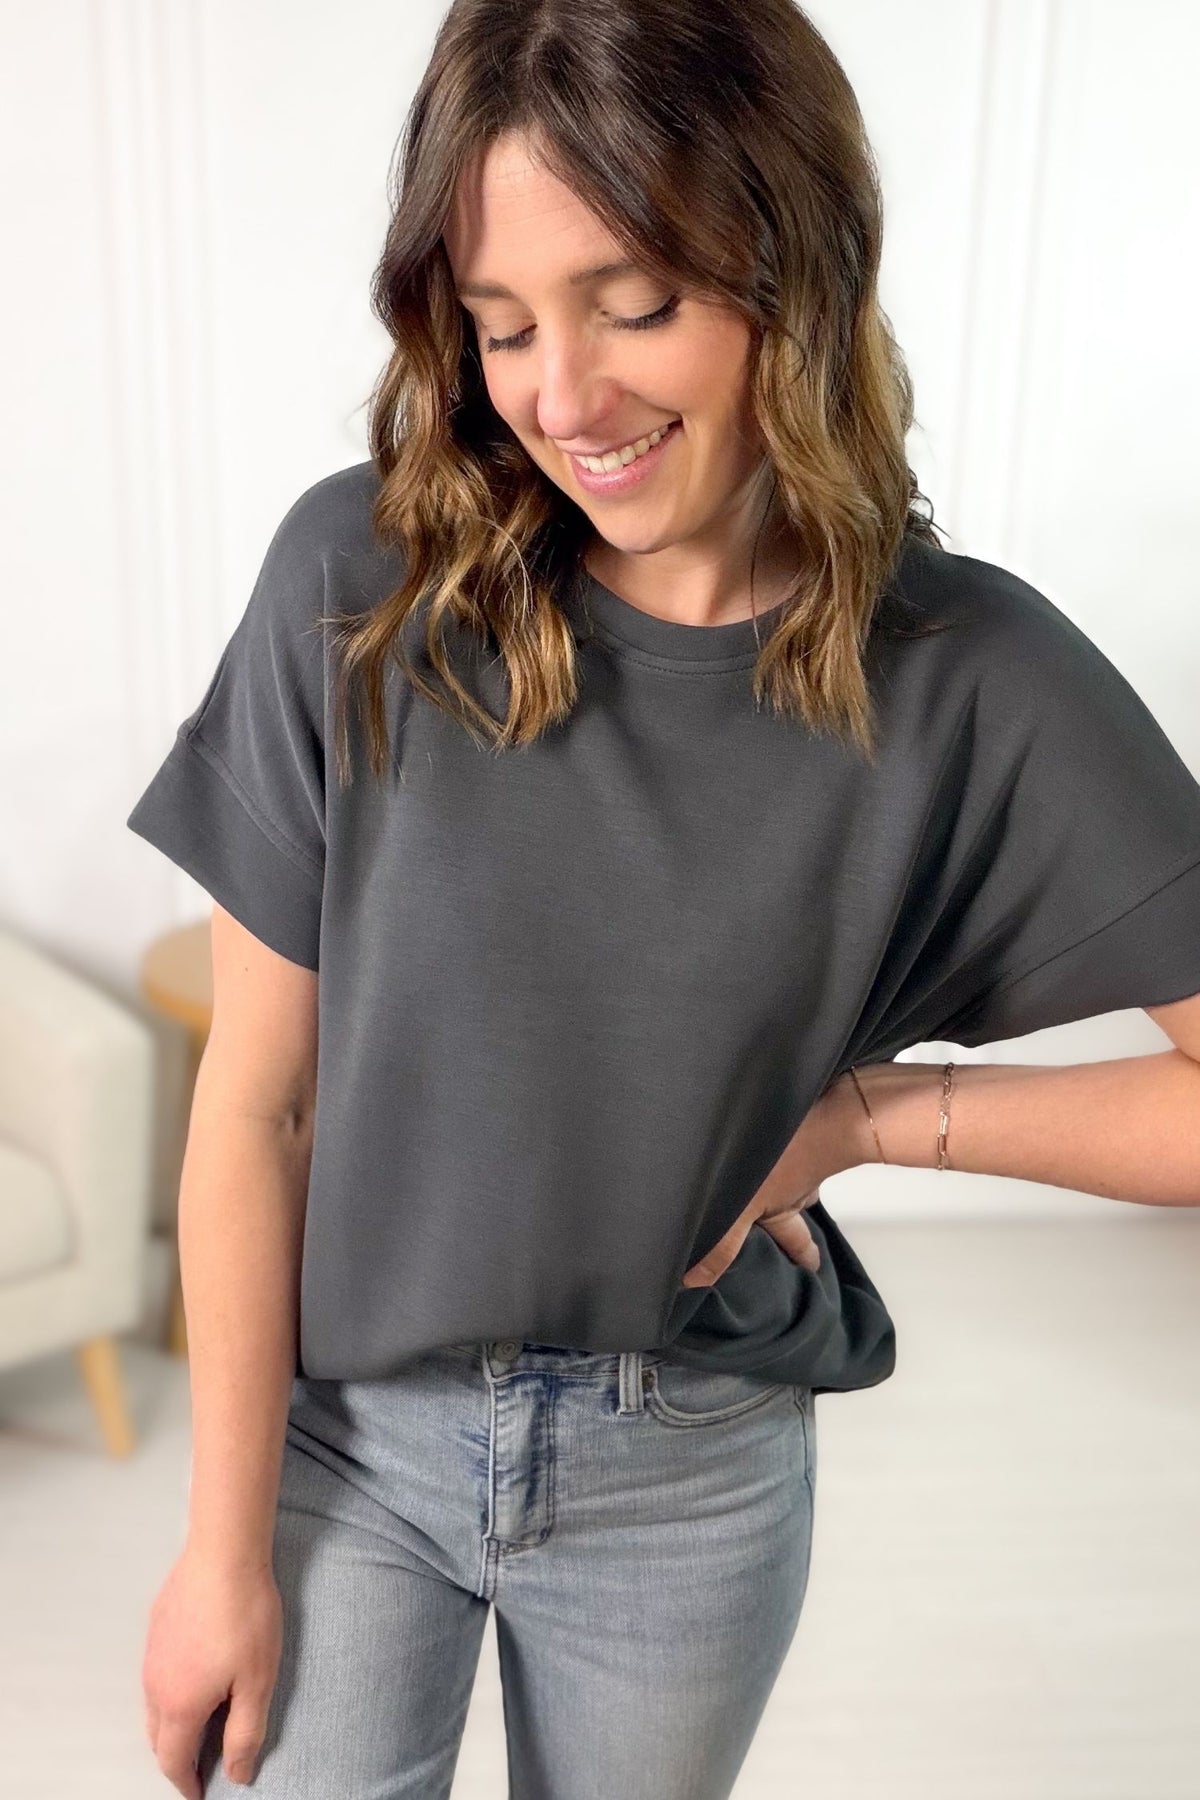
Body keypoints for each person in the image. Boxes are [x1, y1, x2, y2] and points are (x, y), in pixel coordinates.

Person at [130, 1, 1200, 1795]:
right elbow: (256, 1103)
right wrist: (214, 1553)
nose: (563, 398)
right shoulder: (360, 581)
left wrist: (873, 1118)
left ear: (799, 270)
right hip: (352, 1445)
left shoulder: (975, 676)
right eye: (503, 327)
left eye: (634, 306)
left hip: (689, 1469)